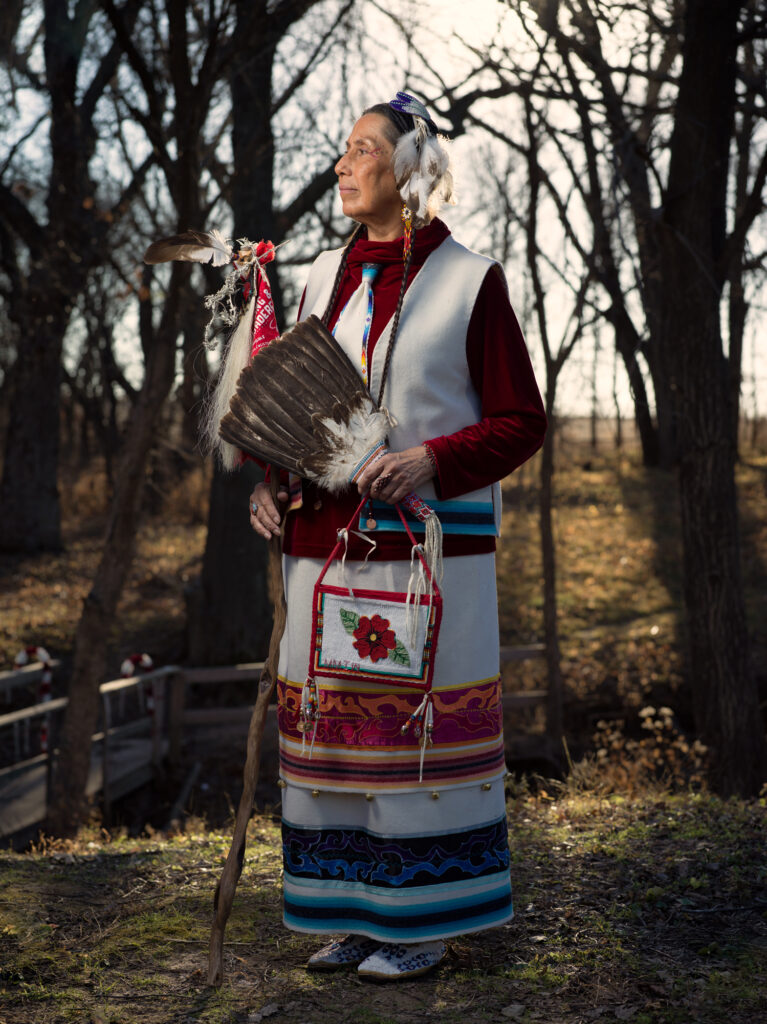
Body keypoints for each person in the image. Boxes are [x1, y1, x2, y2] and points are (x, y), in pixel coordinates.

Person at [247, 91, 546, 981]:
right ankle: (349, 912)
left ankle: (420, 920)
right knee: (335, 737)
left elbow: (520, 421)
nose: (343, 163)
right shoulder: (313, 280)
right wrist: (272, 485)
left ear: (409, 168)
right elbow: (296, 416)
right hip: (323, 552)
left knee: (411, 741)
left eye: (364, 148)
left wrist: (428, 461)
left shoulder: (469, 281)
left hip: (428, 557)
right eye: (342, 149)